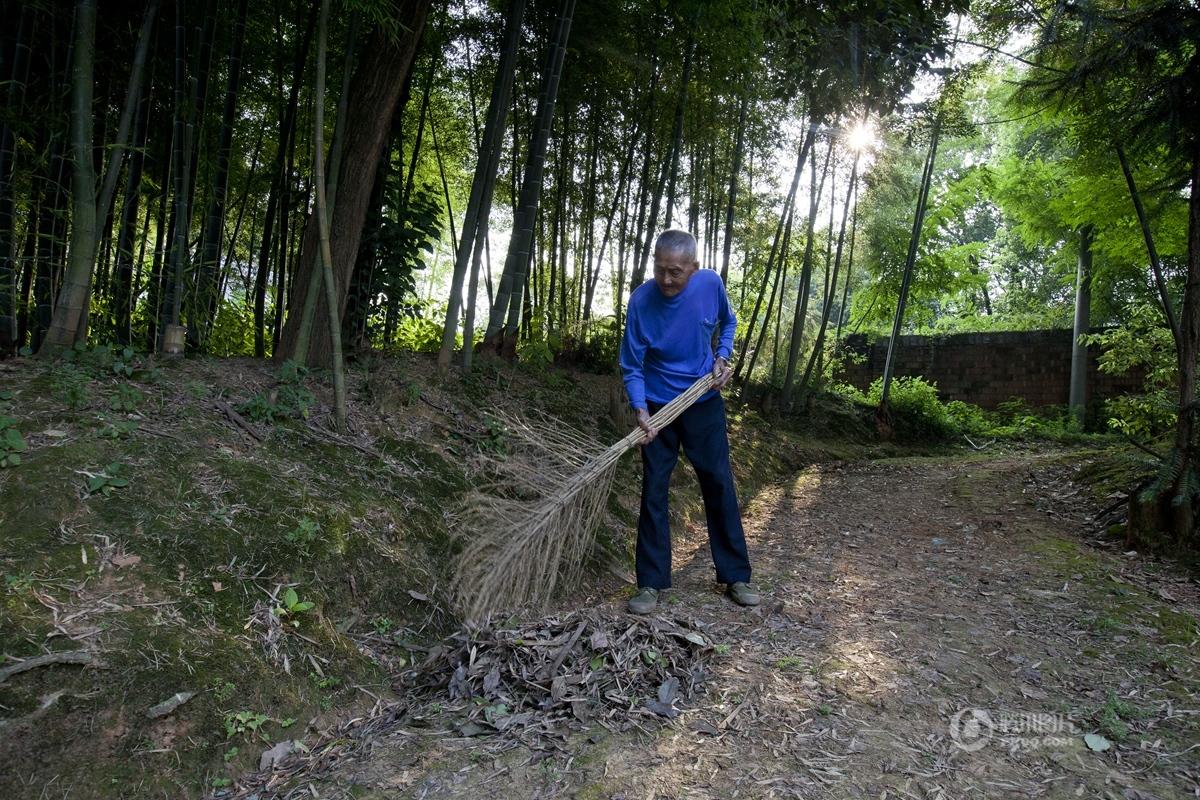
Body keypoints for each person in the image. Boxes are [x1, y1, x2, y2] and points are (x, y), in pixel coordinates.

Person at [619, 229, 759, 615]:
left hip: (701, 399)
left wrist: (723, 357)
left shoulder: (710, 285)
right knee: (654, 491)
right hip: (658, 408)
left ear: (693, 269)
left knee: (718, 483)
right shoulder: (641, 302)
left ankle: (736, 575)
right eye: (661, 270)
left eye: (676, 272)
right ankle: (650, 583)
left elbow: (728, 324)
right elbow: (631, 365)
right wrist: (640, 408)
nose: (667, 280)